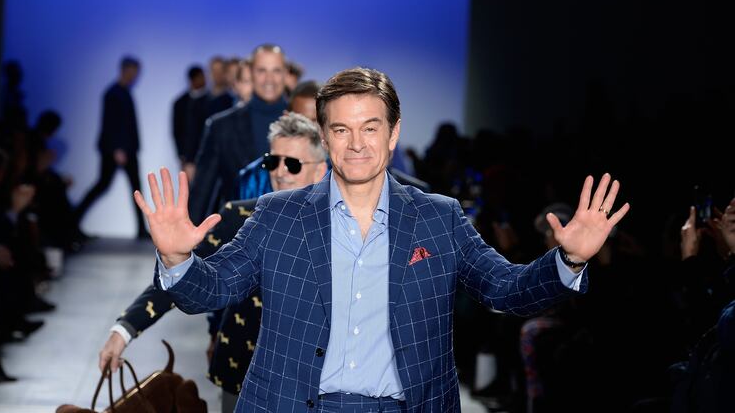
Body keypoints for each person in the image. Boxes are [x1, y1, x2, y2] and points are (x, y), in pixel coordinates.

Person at [137, 67, 629, 412]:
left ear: (393, 134)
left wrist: (567, 260)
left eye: (370, 128)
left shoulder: (439, 217)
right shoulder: (277, 214)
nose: (356, 143)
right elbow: (213, 289)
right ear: (325, 138)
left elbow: (506, 289)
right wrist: (178, 257)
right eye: (341, 129)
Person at [99, 113, 327, 413]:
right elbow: (185, 277)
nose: (281, 172)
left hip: (313, 382)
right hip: (241, 371)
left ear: (320, 170)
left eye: (293, 164)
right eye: (273, 161)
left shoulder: (337, 227)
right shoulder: (240, 216)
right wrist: (125, 329)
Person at [188, 44, 288, 221]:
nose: (269, 79)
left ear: (285, 73)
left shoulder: (307, 122)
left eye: (276, 70)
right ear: (251, 72)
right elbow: (201, 194)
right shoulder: (221, 127)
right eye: (262, 70)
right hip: (237, 231)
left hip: (293, 231)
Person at [75, 56, 147, 238]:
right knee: (103, 185)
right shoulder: (113, 93)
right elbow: (111, 123)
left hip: (127, 148)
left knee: (134, 188)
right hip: (117, 149)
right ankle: (72, 220)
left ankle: (141, 229)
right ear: (125, 70)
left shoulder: (123, 92)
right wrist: (117, 149)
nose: (135, 76)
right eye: (133, 72)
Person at [172, 65, 211, 168]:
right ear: (192, 79)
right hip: (188, 154)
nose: (205, 80)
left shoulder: (212, 100)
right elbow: (177, 130)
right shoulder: (180, 103)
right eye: (201, 77)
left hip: (209, 153)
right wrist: (181, 155)